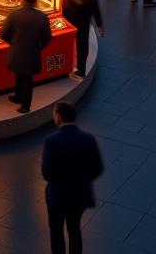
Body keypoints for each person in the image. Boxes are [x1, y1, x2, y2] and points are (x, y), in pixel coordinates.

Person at [42, 102, 103, 254]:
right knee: (74, 229)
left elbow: (46, 173)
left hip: (57, 196)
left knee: (56, 231)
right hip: (79, 195)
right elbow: (98, 168)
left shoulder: (51, 141)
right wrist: (82, 180)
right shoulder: (89, 139)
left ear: (58, 116)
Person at [0, 0, 52, 114]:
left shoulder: (14, 14)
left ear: (23, 0)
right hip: (33, 53)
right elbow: (47, 38)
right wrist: (39, 47)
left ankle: (20, 99)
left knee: (19, 74)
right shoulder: (42, 17)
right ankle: (24, 103)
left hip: (17, 51)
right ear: (35, 1)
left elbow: (3, 33)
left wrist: (13, 42)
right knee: (28, 79)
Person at [60, 0, 103, 80]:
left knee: (81, 44)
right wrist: (99, 24)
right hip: (81, 21)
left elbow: (86, 4)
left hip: (78, 21)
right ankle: (79, 67)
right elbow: (95, 8)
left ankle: (80, 70)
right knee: (82, 44)